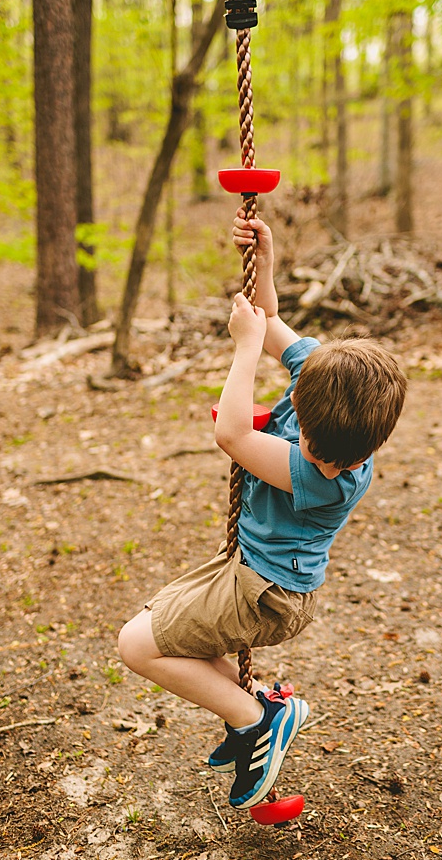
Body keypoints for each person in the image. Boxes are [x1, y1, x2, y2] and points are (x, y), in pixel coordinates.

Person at [117, 206, 407, 810]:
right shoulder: (326, 377)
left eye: (335, 459)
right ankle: (266, 708)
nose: (323, 462)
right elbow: (272, 319)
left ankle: (255, 722)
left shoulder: (323, 477)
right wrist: (265, 264)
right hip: (253, 575)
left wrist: (244, 351)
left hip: (265, 593)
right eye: (311, 445)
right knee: (166, 630)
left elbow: (232, 435)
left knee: (137, 645)